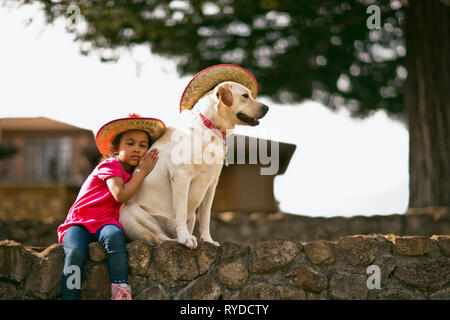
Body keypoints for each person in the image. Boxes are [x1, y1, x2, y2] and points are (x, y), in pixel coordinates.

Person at [57, 114, 166, 300]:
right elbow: (120, 194)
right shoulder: (110, 165)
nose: (137, 150)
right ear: (116, 148)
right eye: (130, 144)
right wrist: (141, 171)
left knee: (115, 237)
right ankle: (70, 294)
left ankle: (120, 291)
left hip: (106, 222)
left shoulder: (134, 174)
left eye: (143, 145)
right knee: (75, 252)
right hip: (80, 222)